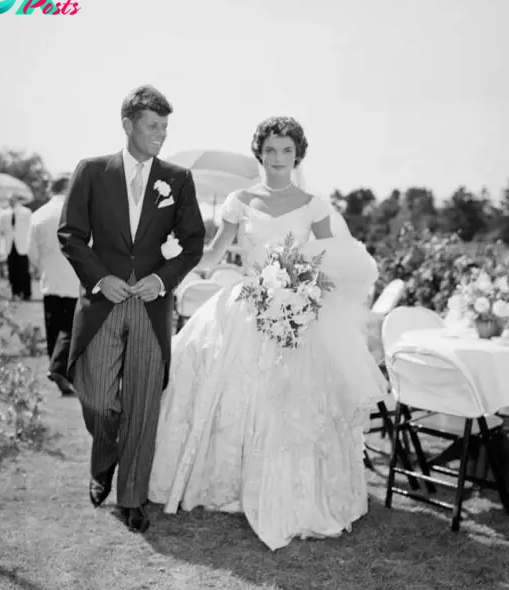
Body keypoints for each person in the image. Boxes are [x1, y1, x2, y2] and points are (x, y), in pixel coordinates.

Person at [148, 117, 387, 551]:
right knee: (224, 383)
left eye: (287, 152)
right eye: (272, 150)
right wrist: (172, 261)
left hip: (298, 309)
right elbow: (217, 251)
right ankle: (228, 481)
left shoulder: (314, 205)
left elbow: (333, 257)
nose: (279, 159)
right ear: (260, 152)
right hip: (246, 304)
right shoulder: (240, 200)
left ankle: (296, 490)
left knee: (296, 399)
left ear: (298, 156)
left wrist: (301, 286)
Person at [57, 85, 206, 533]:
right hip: (103, 302)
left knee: (143, 403)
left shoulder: (177, 179)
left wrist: (162, 280)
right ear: (128, 125)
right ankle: (104, 458)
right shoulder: (90, 171)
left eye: (164, 127)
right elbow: (71, 235)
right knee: (99, 398)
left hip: (151, 305)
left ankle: (133, 497)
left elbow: (193, 243)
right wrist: (102, 278)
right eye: (151, 126)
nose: (160, 134)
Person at [28, 175, 80, 396]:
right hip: (74, 277)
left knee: (53, 327)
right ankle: (59, 370)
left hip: (49, 279)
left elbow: (31, 252)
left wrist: (43, 267)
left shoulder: (38, 215)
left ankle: (56, 368)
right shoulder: (79, 212)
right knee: (71, 326)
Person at [0, 192, 32, 300]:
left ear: (17, 200)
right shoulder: (4, 213)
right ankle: (15, 292)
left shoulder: (26, 212)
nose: (11, 201)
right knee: (12, 270)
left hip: (22, 245)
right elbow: (2, 229)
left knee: (23, 270)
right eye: (9, 200)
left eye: (13, 199)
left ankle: (26, 293)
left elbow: (30, 228)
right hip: (10, 245)